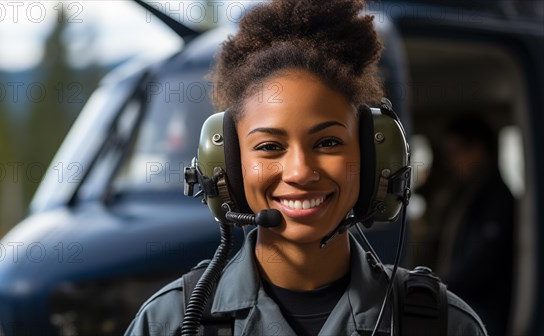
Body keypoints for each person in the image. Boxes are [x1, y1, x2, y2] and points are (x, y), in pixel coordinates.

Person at [125, 1, 487, 335]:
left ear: (373, 156)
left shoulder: (444, 324)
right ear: (226, 167)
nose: (299, 172)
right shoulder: (167, 322)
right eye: (269, 147)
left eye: (328, 143)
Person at [434, 116, 515, 336]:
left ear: (477, 149)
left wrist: (439, 290)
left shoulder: (495, 196)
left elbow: (481, 260)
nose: (450, 162)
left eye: (455, 152)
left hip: (483, 308)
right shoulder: (467, 192)